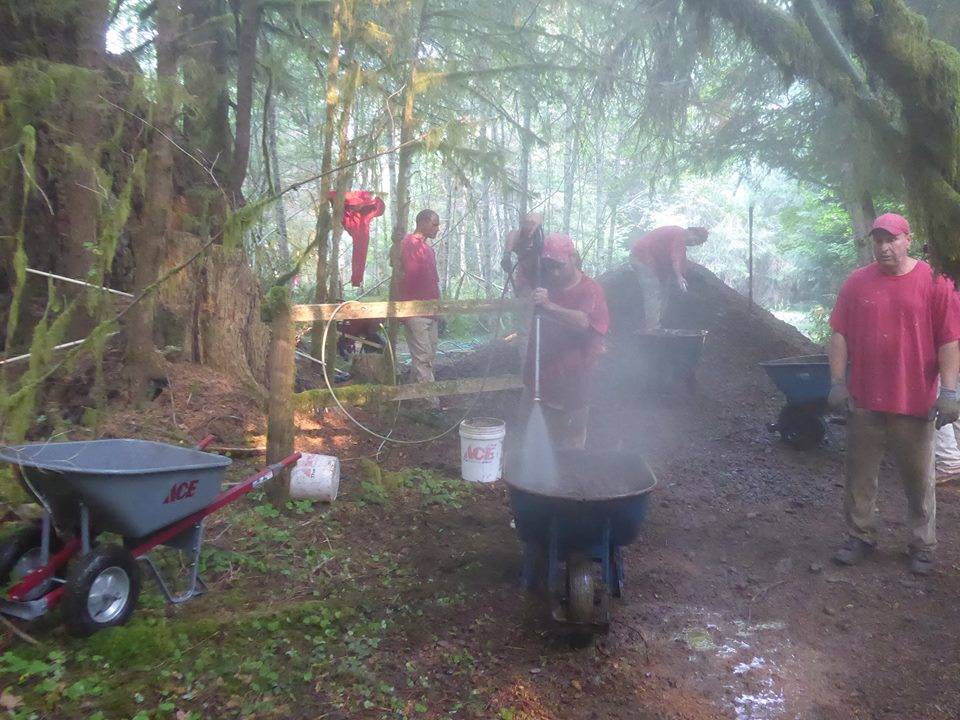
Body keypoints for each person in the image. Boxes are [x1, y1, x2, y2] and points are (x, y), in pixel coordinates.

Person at [827, 212, 960, 575]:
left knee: (919, 480)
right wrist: (837, 382)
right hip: (865, 401)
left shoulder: (935, 282)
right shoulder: (857, 283)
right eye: (878, 241)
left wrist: (949, 391)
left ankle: (921, 545)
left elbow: (950, 340)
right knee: (859, 476)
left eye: (892, 239)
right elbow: (839, 333)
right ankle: (860, 535)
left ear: (908, 239)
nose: (884, 247)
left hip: (914, 402)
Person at [526, 233, 610, 448]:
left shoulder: (590, 289)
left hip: (577, 373)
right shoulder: (546, 283)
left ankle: (572, 473)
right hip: (545, 372)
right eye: (549, 266)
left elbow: (583, 323)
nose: (553, 271)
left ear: (573, 258)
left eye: (558, 266)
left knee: (573, 433)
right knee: (545, 432)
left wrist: (549, 306)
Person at [399, 209, 442, 407]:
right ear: (423, 222)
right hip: (414, 311)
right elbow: (401, 275)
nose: (437, 228)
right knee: (423, 357)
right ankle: (431, 403)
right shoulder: (407, 244)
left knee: (429, 356)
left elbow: (434, 282)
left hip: (432, 311)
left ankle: (410, 396)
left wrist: (440, 311)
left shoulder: (430, 250)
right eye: (434, 224)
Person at [629, 225, 709, 329]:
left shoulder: (680, 241)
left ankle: (658, 322)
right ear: (691, 231)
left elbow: (680, 262)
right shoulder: (679, 235)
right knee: (653, 290)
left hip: (652, 263)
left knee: (664, 290)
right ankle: (653, 327)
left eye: (697, 243)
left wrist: (681, 277)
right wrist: (679, 277)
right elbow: (676, 258)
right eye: (695, 240)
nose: (693, 244)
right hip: (640, 257)